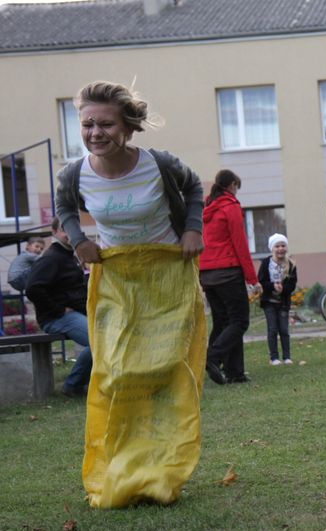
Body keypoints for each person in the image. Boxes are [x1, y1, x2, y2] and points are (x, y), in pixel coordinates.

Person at [54, 80, 206, 508]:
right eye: (87, 124)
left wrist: (193, 228)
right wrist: (78, 240)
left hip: (167, 275)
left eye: (105, 124)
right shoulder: (75, 172)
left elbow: (194, 188)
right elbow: (65, 206)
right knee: (118, 372)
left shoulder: (158, 164)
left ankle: (161, 466)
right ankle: (124, 464)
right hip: (118, 278)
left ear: (129, 127)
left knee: (164, 371)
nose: (94, 133)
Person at [199, 169, 261, 385]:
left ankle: (235, 371)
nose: (237, 192)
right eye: (237, 187)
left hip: (207, 273)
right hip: (228, 271)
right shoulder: (230, 206)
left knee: (223, 321)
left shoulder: (206, 209)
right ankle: (212, 357)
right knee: (240, 320)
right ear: (232, 184)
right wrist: (252, 279)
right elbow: (240, 243)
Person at [25, 218, 91, 397]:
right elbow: (32, 288)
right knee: (99, 342)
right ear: (54, 232)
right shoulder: (52, 258)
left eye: (73, 229)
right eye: (64, 230)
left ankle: (89, 383)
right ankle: (73, 385)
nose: (69, 234)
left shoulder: (70, 255)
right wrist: (58, 309)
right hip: (56, 318)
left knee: (109, 338)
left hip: (74, 314)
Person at [258, 233, 297, 365]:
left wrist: (283, 288)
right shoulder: (266, 263)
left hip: (283, 303)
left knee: (284, 330)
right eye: (277, 246)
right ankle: (274, 357)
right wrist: (273, 286)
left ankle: (287, 356)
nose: (280, 249)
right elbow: (261, 281)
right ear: (272, 248)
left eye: (283, 245)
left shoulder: (291, 264)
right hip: (269, 302)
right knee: (272, 329)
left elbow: (292, 284)